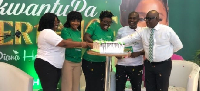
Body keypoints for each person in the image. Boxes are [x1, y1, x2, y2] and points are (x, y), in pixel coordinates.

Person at [116, 10, 183, 91]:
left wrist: (165, 53)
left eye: (150, 19)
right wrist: (114, 43)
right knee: (149, 88)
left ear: (157, 19)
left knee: (162, 88)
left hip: (163, 65)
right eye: (146, 18)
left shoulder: (167, 30)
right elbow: (130, 38)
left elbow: (178, 46)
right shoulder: (143, 31)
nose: (147, 21)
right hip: (149, 65)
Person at [34, 13, 88, 91]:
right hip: (47, 64)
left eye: (57, 21)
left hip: (51, 65)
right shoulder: (47, 32)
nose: (57, 23)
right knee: (50, 88)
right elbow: (64, 43)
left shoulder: (50, 32)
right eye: (55, 21)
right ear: (49, 21)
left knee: (52, 88)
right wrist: (82, 44)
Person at [82, 10, 114, 91]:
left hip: (103, 63)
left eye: (109, 22)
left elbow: (110, 47)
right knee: (91, 85)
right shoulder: (94, 26)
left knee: (101, 86)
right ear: (100, 20)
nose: (107, 24)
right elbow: (86, 37)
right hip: (90, 61)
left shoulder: (110, 32)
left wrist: (109, 65)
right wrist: (97, 44)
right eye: (105, 21)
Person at [115, 11, 144, 91]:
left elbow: (148, 48)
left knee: (136, 88)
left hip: (137, 65)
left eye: (134, 18)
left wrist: (139, 53)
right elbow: (116, 46)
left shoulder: (143, 31)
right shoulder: (121, 30)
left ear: (138, 19)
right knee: (119, 88)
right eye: (130, 18)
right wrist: (116, 54)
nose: (132, 20)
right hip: (121, 65)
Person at [60, 11, 83, 91]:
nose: (76, 23)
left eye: (78, 21)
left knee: (76, 87)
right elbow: (69, 43)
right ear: (69, 21)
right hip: (68, 61)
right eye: (73, 20)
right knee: (67, 86)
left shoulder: (78, 32)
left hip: (78, 61)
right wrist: (82, 44)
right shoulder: (65, 30)